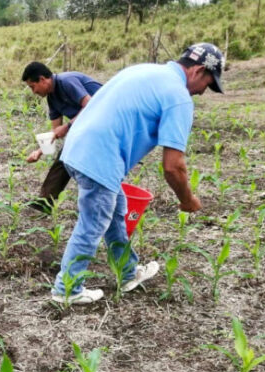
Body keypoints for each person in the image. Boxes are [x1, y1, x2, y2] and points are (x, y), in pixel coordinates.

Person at [52, 43, 224, 304]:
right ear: (198, 70)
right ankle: (67, 290)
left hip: (78, 148)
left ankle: (128, 272)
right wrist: (188, 200)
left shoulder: (145, 71)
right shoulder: (178, 96)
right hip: (99, 156)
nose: (202, 93)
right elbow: (173, 166)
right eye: (208, 84)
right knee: (92, 223)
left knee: (115, 213)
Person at [21, 62, 102, 213]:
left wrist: (67, 126)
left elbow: (91, 106)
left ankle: (100, 203)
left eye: (33, 86)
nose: (33, 92)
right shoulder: (52, 98)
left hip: (107, 119)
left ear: (42, 79)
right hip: (89, 126)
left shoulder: (66, 81)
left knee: (88, 162)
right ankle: (45, 201)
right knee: (65, 156)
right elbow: (54, 133)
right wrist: (39, 151)